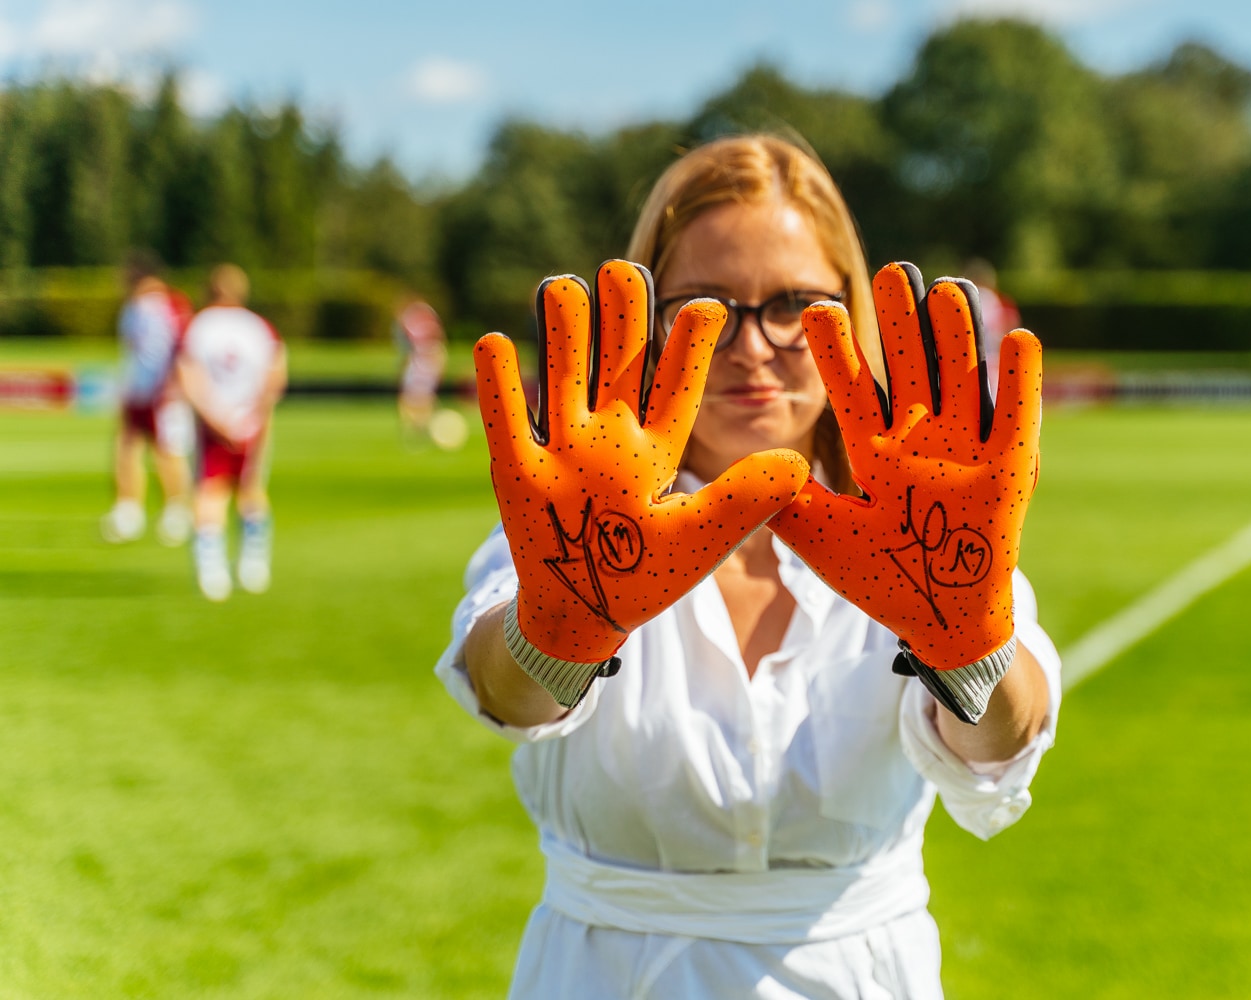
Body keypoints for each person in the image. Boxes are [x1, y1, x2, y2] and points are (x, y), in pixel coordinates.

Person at [435, 135, 1060, 999]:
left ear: (853, 307)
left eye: (796, 304)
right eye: (705, 305)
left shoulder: (927, 524)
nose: (753, 346)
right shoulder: (582, 522)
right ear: (648, 318)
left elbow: (1004, 737)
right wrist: (563, 627)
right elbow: (505, 692)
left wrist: (969, 644)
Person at [176, 264, 287, 601]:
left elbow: (187, 374)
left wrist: (214, 419)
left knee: (210, 493)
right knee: (251, 491)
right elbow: (276, 374)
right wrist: (256, 414)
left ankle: (212, 569)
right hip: (251, 422)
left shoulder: (199, 325)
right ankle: (253, 562)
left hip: (214, 423)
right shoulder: (260, 327)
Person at [100, 250, 195, 546]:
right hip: (137, 391)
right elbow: (132, 351)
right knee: (126, 449)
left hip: (165, 392)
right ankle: (129, 509)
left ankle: (177, 511)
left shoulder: (172, 304)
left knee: (168, 452)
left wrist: (174, 385)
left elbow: (183, 346)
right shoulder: (132, 307)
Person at [392, 293, 451, 444]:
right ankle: (420, 427)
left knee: (417, 398)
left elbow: (433, 339)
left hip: (423, 361)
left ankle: (419, 428)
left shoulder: (414, 317)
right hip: (423, 360)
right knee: (418, 397)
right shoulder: (424, 315)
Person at [962, 257, 1022, 399]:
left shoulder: (968, 298)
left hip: (968, 358)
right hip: (991, 357)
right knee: (992, 401)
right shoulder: (994, 299)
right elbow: (1008, 327)